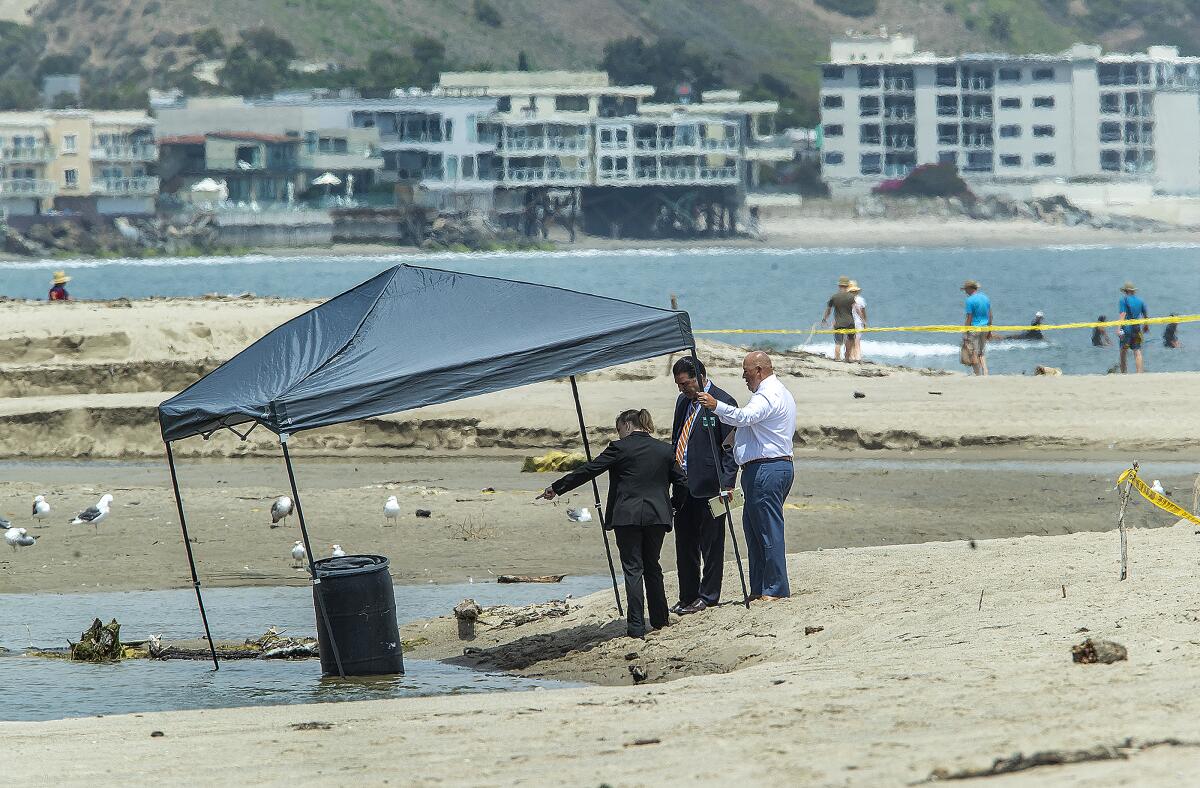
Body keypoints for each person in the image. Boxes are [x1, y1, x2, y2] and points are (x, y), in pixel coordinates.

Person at [538, 409, 685, 639]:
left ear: (627, 425)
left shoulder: (619, 448)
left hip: (626, 517)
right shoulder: (664, 449)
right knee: (652, 567)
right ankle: (659, 619)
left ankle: (636, 627)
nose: (619, 434)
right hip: (657, 517)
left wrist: (557, 488)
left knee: (633, 569)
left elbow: (589, 470)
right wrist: (673, 506)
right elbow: (682, 482)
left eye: (618, 430)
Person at [696, 351, 796, 602]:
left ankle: (775, 588)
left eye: (747, 371)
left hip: (767, 469)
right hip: (762, 468)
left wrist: (715, 405)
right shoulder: (775, 393)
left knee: (767, 529)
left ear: (760, 370)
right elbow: (751, 425)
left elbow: (746, 416)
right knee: (753, 530)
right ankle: (760, 586)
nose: (743, 376)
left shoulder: (768, 394)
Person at [670, 357, 738, 615]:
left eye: (685, 384)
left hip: (711, 484)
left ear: (699, 377)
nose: (682, 389)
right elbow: (677, 437)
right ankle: (687, 595)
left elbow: (730, 447)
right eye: (678, 385)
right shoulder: (682, 402)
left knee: (711, 543)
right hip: (683, 485)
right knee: (685, 543)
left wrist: (728, 483)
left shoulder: (722, 401)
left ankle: (708, 595)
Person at [821, 276, 856, 361]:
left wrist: (824, 319)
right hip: (850, 322)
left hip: (839, 322)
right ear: (847, 286)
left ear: (839, 286)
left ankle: (837, 358)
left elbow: (828, 310)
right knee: (850, 340)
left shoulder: (834, 297)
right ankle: (847, 357)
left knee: (838, 342)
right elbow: (855, 309)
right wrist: (863, 320)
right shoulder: (851, 297)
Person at [1117, 281, 1150, 374]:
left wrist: (1118, 328)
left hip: (1126, 330)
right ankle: (1139, 373)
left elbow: (1123, 314)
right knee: (1137, 350)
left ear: (1125, 291)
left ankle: (1124, 372)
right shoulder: (1140, 301)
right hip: (1136, 329)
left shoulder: (1123, 300)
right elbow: (1146, 315)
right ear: (1133, 291)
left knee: (1123, 351)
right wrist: (1146, 326)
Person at [962, 280, 992, 376]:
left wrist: (965, 332)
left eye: (966, 289)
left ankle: (977, 374)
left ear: (970, 289)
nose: (965, 291)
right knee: (981, 352)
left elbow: (969, 317)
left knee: (973, 352)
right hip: (985, 328)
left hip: (974, 328)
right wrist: (990, 330)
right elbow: (990, 315)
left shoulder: (969, 300)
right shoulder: (985, 298)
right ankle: (986, 372)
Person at [848, 280, 866, 361]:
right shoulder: (860, 300)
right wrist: (864, 321)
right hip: (858, 322)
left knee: (850, 340)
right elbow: (863, 312)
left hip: (849, 322)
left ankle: (851, 356)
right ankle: (858, 357)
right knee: (857, 340)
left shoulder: (846, 299)